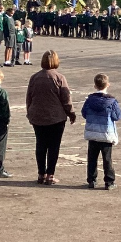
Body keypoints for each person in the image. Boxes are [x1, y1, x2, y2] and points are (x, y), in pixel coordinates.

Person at [26, 49, 77, 185]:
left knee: (40, 145)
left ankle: (41, 174)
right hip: (56, 118)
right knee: (54, 146)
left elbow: (29, 98)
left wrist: (29, 113)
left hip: (38, 116)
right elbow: (66, 99)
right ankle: (50, 175)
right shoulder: (59, 78)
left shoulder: (34, 77)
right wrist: (71, 113)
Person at [82, 72, 121, 190]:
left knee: (92, 158)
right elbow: (117, 116)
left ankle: (92, 180)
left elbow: (84, 113)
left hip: (93, 132)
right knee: (107, 159)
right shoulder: (112, 101)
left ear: (95, 86)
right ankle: (109, 182)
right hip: (106, 133)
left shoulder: (89, 100)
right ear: (107, 85)